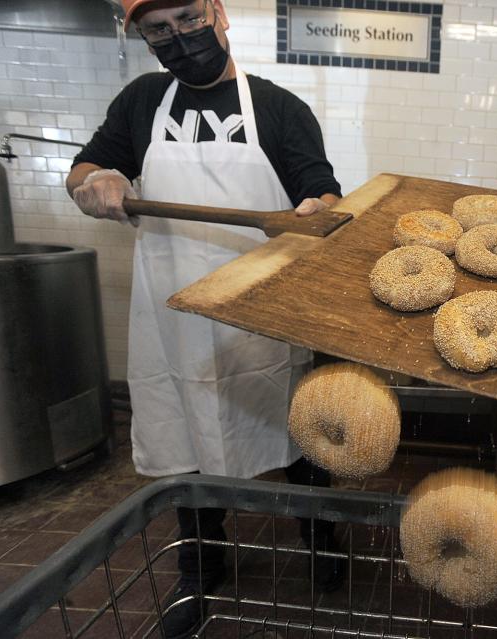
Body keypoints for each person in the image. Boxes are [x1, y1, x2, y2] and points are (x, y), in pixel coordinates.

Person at [66, 1, 343, 636]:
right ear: (142, 38)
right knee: (183, 439)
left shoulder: (279, 108)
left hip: (262, 314)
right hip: (172, 312)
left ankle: (321, 539)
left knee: (296, 427)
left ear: (217, 13)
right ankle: (201, 555)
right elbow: (84, 168)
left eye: (188, 18)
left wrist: (317, 209)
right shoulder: (140, 102)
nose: (179, 38)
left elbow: (319, 187)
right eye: (158, 30)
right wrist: (96, 178)